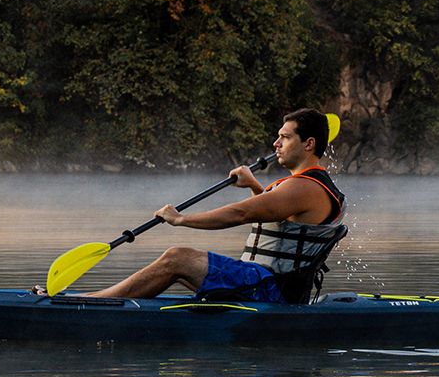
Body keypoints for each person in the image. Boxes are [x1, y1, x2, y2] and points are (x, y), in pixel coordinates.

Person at [78, 109, 347, 304]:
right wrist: (254, 185)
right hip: (264, 282)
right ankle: (109, 300)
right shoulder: (305, 186)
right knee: (176, 269)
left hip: (270, 290)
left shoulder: (304, 187)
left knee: (178, 257)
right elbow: (279, 216)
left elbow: (243, 213)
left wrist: (181, 219)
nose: (276, 144)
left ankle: (93, 302)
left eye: (285, 137)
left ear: (309, 143)